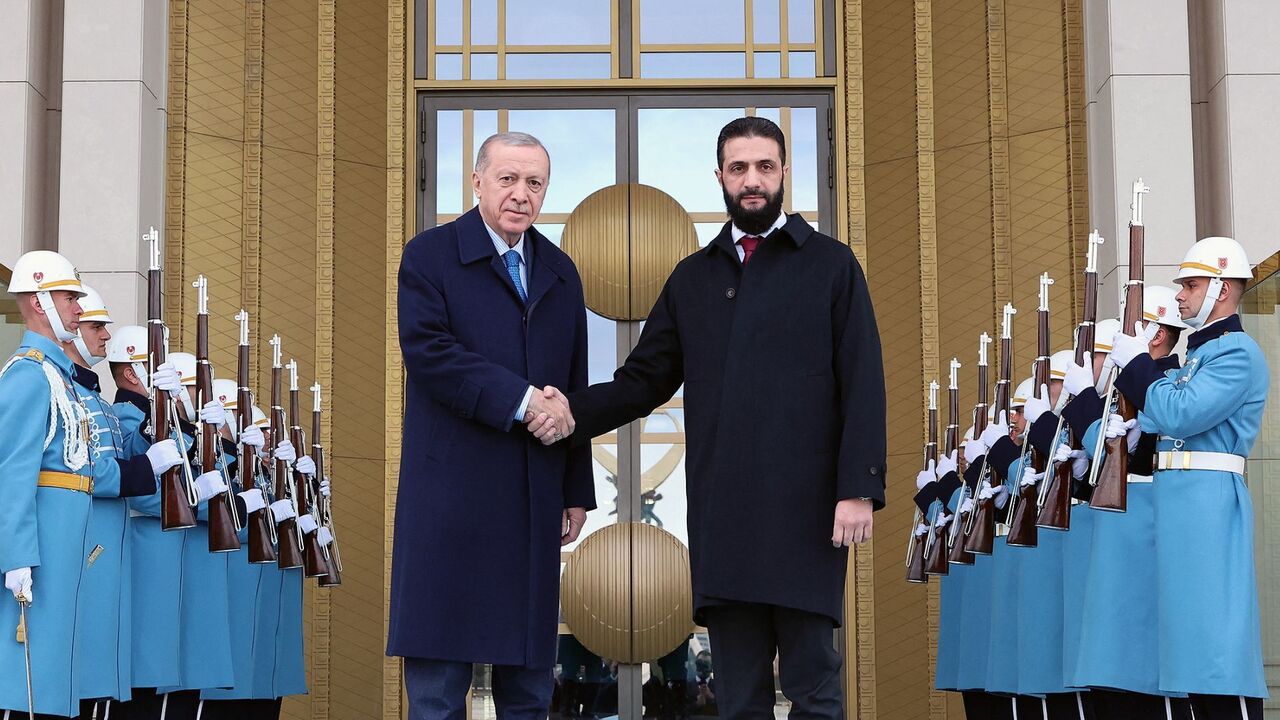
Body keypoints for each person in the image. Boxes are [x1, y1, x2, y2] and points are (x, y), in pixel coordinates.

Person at [536, 116, 886, 719]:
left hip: (808, 515)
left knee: (814, 689)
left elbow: (863, 383)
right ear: (719, 176)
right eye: (738, 168)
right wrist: (569, 411)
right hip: (724, 518)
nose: (752, 180)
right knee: (738, 698)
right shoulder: (692, 278)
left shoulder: (832, 265)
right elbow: (642, 380)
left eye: (765, 167)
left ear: (784, 173)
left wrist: (858, 489)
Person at [390, 131, 596, 719]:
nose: (520, 194)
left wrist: (575, 488)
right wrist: (522, 400)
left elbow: (573, 387)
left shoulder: (560, 271)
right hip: (449, 498)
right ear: (477, 181)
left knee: (528, 692)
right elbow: (429, 353)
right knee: (437, 692)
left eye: (534, 183)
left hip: (532, 497)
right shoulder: (429, 256)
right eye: (507, 179)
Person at [1108, 237, 1268, 719]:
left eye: (1191, 285)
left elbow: (1178, 413)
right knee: (1185, 648)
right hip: (1179, 499)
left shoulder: (1236, 352)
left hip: (1207, 500)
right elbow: (1160, 413)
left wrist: (1138, 365)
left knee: (1214, 645)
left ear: (1222, 288)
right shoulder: (1200, 356)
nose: (1180, 295)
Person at [0, 251, 164, 719]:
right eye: (69, 298)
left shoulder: (64, 381)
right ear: (38, 302)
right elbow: (11, 474)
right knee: (30, 685)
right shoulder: (30, 375)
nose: (77, 307)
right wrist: (16, 556)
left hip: (71, 548)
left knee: (58, 683)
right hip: (43, 551)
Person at [62, 286, 164, 719]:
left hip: (107, 551)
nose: (105, 334)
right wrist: (148, 466)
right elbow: (88, 471)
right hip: (86, 549)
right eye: (96, 326)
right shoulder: (72, 397)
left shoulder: (98, 403)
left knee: (102, 679)